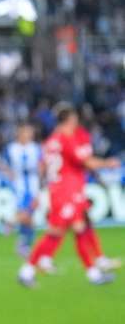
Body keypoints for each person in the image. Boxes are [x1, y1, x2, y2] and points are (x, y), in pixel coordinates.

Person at [19, 104, 121, 287]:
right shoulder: (65, 139)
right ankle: (27, 270)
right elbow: (86, 162)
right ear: (69, 121)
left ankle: (94, 273)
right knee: (57, 232)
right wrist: (108, 163)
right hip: (66, 191)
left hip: (62, 189)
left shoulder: (51, 141)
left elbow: (43, 165)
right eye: (74, 121)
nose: (76, 124)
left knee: (80, 227)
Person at [2, 123, 43, 258]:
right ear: (20, 133)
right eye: (26, 132)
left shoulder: (36, 148)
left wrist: (41, 182)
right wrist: (9, 175)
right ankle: (23, 240)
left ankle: (22, 242)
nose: (29, 135)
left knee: (29, 217)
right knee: (27, 216)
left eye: (31, 133)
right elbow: (3, 164)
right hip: (19, 186)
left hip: (34, 185)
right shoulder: (11, 148)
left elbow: (41, 165)